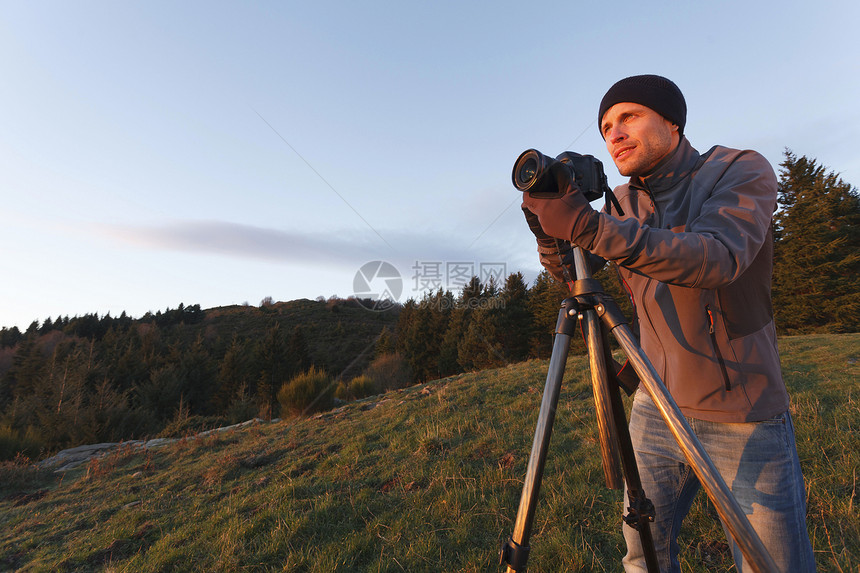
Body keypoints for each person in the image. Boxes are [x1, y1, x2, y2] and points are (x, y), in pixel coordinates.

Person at [520, 74, 816, 572]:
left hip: (740, 413)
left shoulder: (739, 170)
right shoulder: (624, 203)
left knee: (773, 565)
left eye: (628, 117)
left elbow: (717, 257)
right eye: (605, 127)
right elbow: (578, 280)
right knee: (643, 555)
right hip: (653, 405)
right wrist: (550, 234)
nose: (613, 133)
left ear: (672, 123)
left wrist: (589, 226)